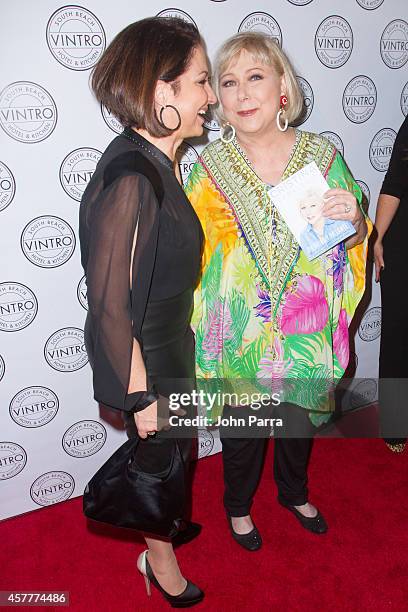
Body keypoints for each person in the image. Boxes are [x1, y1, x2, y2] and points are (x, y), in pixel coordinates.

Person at [185, 32, 370, 550]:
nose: (242, 93)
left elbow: (353, 238)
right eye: (228, 82)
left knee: (296, 426)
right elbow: (186, 253)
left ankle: (293, 492)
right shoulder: (204, 169)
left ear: (282, 89)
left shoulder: (321, 154)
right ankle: (238, 507)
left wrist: (355, 217)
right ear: (218, 100)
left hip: (305, 331)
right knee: (243, 431)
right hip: (240, 330)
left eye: (255, 77)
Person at [79, 17, 215, 606]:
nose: (211, 98)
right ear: (164, 92)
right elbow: (110, 302)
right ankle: (159, 563)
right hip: (149, 363)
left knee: (170, 459)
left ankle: (164, 528)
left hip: (168, 348)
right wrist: (140, 397)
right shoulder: (133, 176)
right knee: (155, 463)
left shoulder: (151, 161)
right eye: (203, 82)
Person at [374, 115, 408, 453]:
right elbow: (395, 181)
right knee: (398, 331)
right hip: (404, 244)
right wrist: (378, 237)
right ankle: (396, 424)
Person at [298, 190, 354, 258]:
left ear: (323, 205)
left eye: (313, 206)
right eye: (303, 208)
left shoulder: (338, 222)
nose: (308, 212)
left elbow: (359, 236)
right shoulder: (304, 235)